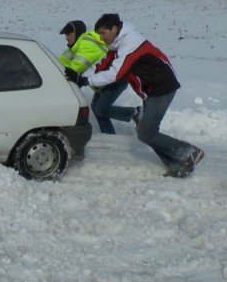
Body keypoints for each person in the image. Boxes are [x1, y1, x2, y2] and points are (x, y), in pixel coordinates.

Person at [65, 13, 204, 177]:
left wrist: (85, 81)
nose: (101, 38)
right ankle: (179, 164)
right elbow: (105, 65)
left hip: (161, 87)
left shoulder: (131, 43)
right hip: (151, 89)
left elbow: (115, 74)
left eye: (103, 33)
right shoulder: (117, 46)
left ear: (114, 28)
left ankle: (189, 152)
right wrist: (81, 77)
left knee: (146, 133)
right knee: (148, 132)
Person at [59, 20, 139, 134]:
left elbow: (75, 67)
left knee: (101, 109)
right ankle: (109, 136)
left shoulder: (87, 45)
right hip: (101, 82)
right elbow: (61, 62)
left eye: (68, 34)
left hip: (114, 80)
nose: (66, 38)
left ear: (76, 33)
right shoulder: (75, 47)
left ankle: (135, 113)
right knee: (97, 108)